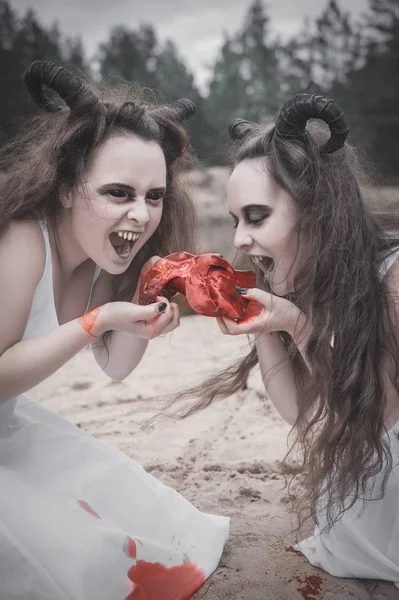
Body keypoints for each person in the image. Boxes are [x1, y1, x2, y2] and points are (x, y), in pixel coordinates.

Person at [0, 60, 228, 600]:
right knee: (70, 559)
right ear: (66, 188)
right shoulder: (22, 242)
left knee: (160, 527)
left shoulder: (107, 261)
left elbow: (116, 365)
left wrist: (144, 307)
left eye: (154, 196)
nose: (142, 214)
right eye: (118, 192)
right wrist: (95, 321)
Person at [178, 94, 399, 586]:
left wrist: (298, 326)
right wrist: (264, 325)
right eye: (236, 221)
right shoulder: (306, 280)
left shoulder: (391, 280)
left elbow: (379, 417)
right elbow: (299, 409)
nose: (239, 240)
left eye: (256, 216)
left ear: (317, 210)